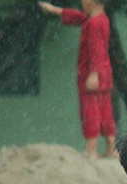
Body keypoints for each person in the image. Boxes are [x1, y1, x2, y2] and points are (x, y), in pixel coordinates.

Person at [38, 0, 117, 159]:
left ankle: (91, 151)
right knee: (105, 111)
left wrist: (94, 74)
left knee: (91, 112)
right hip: (104, 73)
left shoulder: (93, 24)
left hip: (92, 75)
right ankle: (111, 148)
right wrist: (56, 11)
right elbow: (79, 18)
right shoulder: (100, 19)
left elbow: (97, 50)